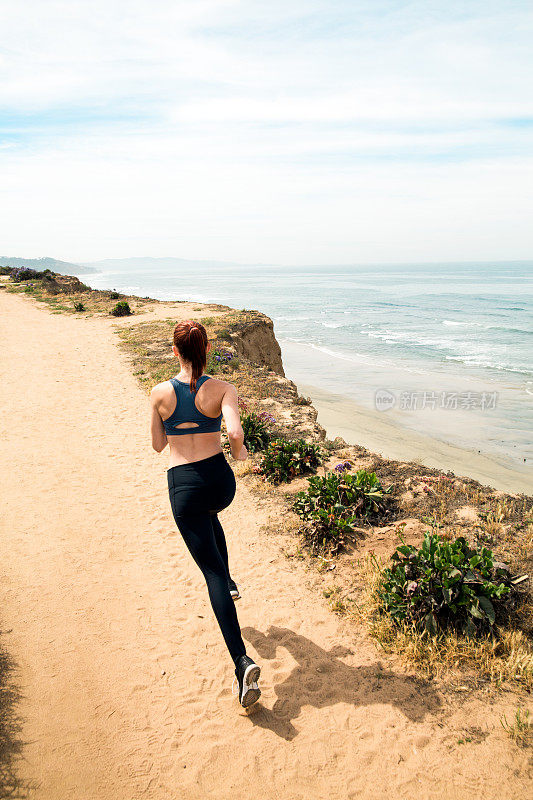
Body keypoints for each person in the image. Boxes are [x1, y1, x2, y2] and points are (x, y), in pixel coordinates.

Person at [149, 319, 261, 708]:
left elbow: (158, 445)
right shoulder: (223, 389)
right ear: (207, 350)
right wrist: (241, 453)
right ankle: (230, 581)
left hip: (184, 484)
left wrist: (176, 421)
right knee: (212, 514)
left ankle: (241, 662)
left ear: (176, 351)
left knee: (208, 569)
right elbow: (233, 432)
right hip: (219, 482)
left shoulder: (159, 392)